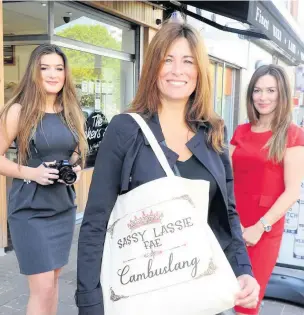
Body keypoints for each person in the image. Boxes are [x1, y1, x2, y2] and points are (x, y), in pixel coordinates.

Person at [75, 21, 259, 315]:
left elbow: (227, 212)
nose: (177, 70)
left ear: (199, 71)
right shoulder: (125, 129)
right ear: (153, 68)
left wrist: (243, 269)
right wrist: (89, 302)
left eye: (188, 61)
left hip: (198, 293)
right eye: (167, 59)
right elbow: (96, 222)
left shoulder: (213, 132)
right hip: (140, 293)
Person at [0, 44, 87, 315]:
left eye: (59, 68)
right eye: (45, 68)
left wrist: (76, 167)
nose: (53, 74)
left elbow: (76, 152)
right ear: (34, 72)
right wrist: (32, 173)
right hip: (30, 211)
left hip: (62, 208)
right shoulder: (18, 110)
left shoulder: (71, 110)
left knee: (53, 284)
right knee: (43, 289)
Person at [230, 64, 304, 315]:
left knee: (246, 302)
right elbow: (227, 178)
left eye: (271, 90)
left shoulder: (293, 135)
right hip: (232, 223)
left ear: (282, 94)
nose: (263, 97)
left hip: (263, 231)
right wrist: (231, 221)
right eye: (258, 90)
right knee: (221, 294)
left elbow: (292, 192)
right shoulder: (241, 131)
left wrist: (259, 227)